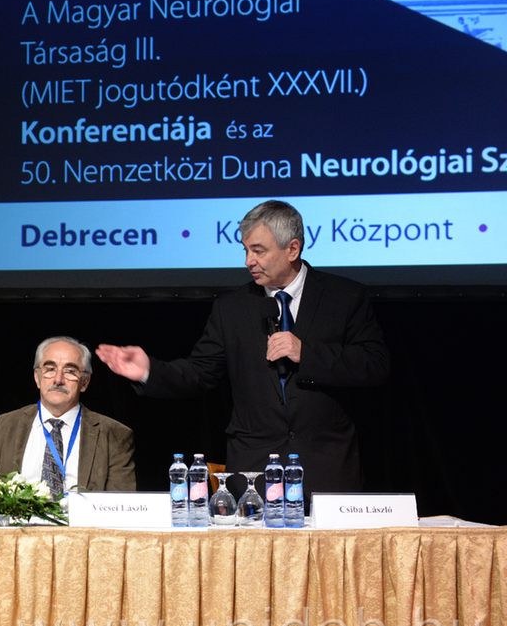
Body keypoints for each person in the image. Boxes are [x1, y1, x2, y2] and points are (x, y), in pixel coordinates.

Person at [96, 200, 389, 503]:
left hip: (327, 466)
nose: (249, 261)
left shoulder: (344, 297)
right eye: (246, 250)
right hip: (254, 471)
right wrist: (148, 371)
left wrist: (307, 353)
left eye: (259, 251)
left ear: (292, 249)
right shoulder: (232, 308)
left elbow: (374, 364)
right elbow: (200, 372)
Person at [0, 336, 136, 493]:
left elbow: (121, 504)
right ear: (37, 377)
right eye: (50, 369)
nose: (58, 380)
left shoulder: (114, 435)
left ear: (84, 382)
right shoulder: (5, 426)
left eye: (70, 371)